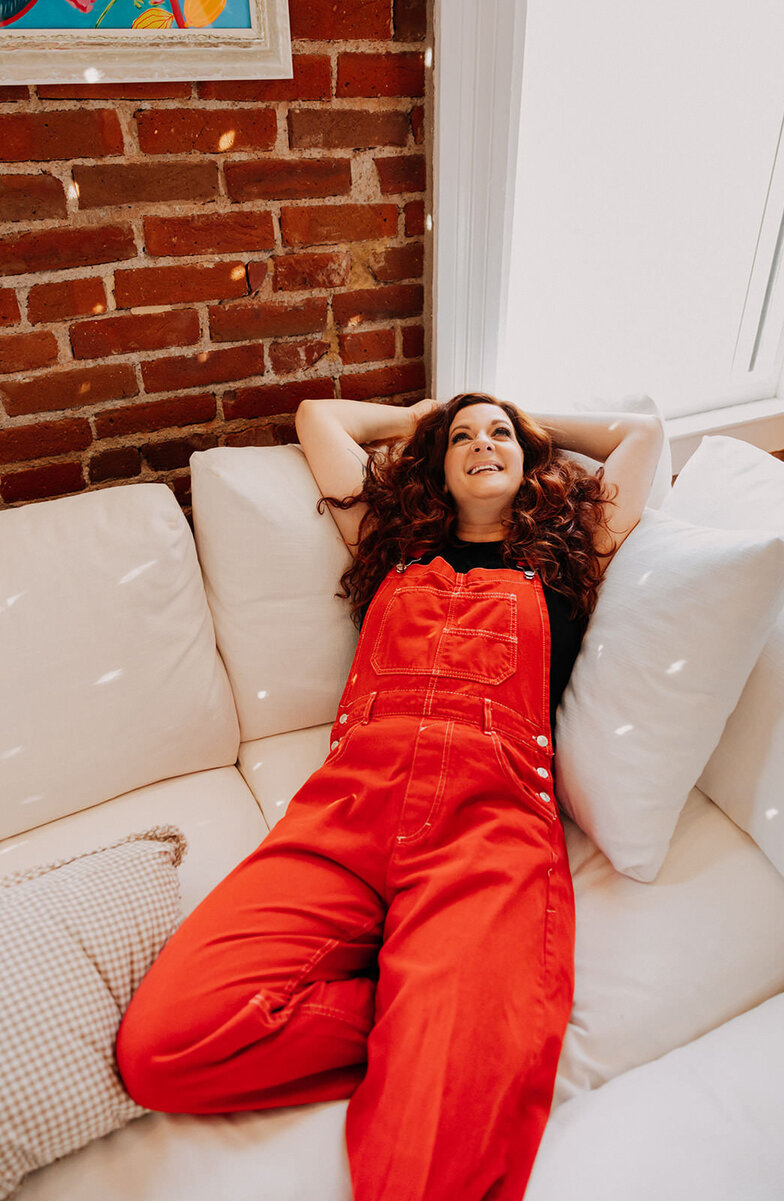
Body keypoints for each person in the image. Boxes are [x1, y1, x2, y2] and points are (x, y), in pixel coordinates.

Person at [116, 392, 663, 1201]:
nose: (483, 442)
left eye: (500, 436)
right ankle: (428, 1008)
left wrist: (524, 413)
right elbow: (319, 420)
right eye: (464, 439)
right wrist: (432, 414)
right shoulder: (391, 549)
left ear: (530, 460)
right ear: (437, 465)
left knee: (427, 1165)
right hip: (345, 815)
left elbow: (645, 432)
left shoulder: (569, 558)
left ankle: (445, 1018)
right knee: (163, 1048)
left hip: (488, 827)